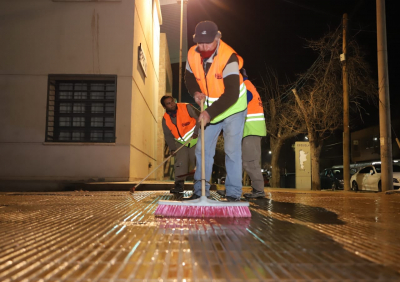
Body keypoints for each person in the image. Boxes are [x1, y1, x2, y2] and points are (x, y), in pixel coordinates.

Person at [184, 21, 247, 201]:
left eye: (208, 43)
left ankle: (234, 194)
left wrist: (209, 113)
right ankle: (200, 192)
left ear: (218, 38)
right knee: (202, 149)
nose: (203, 47)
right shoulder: (192, 53)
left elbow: (232, 94)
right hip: (211, 108)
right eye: (200, 43)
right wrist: (195, 92)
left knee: (231, 150)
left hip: (233, 108)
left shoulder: (229, 57)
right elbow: (189, 77)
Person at [217, 68, 267, 198]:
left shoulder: (245, 85)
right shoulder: (244, 85)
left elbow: (244, 100)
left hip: (251, 129)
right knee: (234, 160)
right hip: (245, 129)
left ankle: (259, 190)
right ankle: (231, 189)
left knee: (250, 161)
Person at [161, 96, 199, 193]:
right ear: (164, 107)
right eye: (168, 103)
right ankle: (179, 185)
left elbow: (199, 118)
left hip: (195, 139)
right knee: (180, 164)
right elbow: (168, 135)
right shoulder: (165, 119)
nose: (172, 104)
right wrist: (172, 149)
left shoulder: (186, 107)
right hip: (181, 143)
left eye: (172, 101)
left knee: (197, 163)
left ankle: (199, 186)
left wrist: (197, 132)